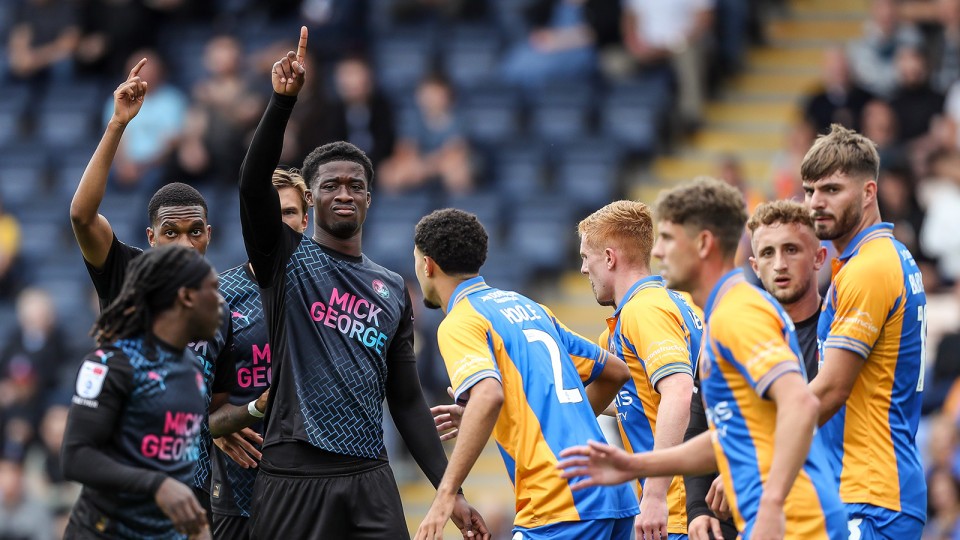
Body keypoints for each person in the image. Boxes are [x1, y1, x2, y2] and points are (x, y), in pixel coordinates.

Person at [238, 28, 486, 539]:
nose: (344, 193)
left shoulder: (393, 287)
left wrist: (449, 492)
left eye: (356, 185)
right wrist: (283, 103)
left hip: (368, 475)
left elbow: (408, 400)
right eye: (330, 185)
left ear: (370, 199)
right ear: (310, 199)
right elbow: (250, 184)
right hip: (292, 473)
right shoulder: (286, 259)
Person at [557, 177, 847, 539]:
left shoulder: (738, 313)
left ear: (702, 244)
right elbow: (726, 438)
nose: (657, 253)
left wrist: (771, 505)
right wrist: (635, 465)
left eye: (667, 239)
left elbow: (800, 405)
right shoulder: (716, 313)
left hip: (800, 523)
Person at [68, 58, 240, 521]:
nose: (185, 243)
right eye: (171, 232)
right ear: (150, 237)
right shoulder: (126, 270)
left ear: (209, 234)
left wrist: (230, 423)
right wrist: (118, 125)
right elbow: (82, 217)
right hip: (126, 479)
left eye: (195, 231)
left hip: (194, 485)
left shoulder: (218, 304)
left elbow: (216, 404)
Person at [414, 208, 637, 540]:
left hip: (559, 501)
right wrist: (525, 418)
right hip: (613, 495)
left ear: (428, 265)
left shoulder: (460, 321)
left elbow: (488, 395)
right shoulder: (531, 308)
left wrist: (445, 496)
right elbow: (615, 372)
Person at [802, 124, 928, 538]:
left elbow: (832, 389)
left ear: (869, 193)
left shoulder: (870, 268)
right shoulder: (877, 258)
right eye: (809, 191)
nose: (816, 203)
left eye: (832, 190)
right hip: (866, 487)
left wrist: (754, 454)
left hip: (874, 495)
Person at [61, 245, 224, 539]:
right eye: (212, 290)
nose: (221, 302)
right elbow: (76, 456)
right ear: (186, 297)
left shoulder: (191, 368)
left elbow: (176, 461)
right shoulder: (112, 363)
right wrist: (156, 484)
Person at [687, 199, 827, 540]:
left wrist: (746, 464)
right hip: (734, 516)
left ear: (819, 258)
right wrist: (697, 510)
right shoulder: (729, 326)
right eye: (767, 253)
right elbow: (699, 421)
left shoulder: (836, 333)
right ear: (754, 264)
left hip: (815, 512)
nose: (779, 264)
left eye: (791, 249)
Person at [576, 200, 701, 540]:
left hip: (678, 511)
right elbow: (644, 399)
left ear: (610, 258)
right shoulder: (676, 302)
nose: (584, 270)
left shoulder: (644, 312)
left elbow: (678, 391)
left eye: (587, 257)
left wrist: (656, 495)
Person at [205, 168, 311, 540]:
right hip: (241, 479)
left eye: (288, 212)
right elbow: (191, 390)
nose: (278, 222)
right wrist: (215, 426)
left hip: (314, 480)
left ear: (305, 219)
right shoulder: (219, 294)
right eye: (269, 211)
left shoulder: (328, 289)